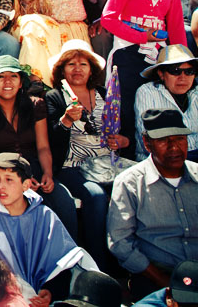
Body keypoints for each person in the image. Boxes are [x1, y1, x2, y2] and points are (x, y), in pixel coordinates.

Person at [0, 55, 78, 238]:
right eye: (0, 76)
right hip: (4, 174)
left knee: (63, 203)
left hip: (35, 166)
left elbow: (43, 146)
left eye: (13, 76)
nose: (7, 81)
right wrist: (21, 184)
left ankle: (72, 259)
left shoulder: (36, 105)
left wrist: (48, 174)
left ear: (21, 82)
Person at [101, 0, 187, 156]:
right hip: (126, 52)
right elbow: (108, 18)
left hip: (157, 57)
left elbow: (177, 29)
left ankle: (156, 154)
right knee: (127, 105)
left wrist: (180, 61)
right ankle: (128, 156)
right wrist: (142, 36)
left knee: (155, 104)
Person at [0, 153, 98, 304]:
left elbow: (62, 262)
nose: (0, 186)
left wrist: (50, 292)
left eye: (9, 179)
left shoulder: (44, 216)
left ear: (25, 185)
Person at [45, 39, 124, 269]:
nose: (77, 68)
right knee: (96, 196)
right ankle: (96, 265)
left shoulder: (103, 93)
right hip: (73, 166)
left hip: (105, 164)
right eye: (71, 64)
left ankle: (123, 258)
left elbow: (121, 130)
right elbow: (51, 139)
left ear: (92, 69)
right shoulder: (55, 97)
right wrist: (67, 120)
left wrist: (122, 140)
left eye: (83, 63)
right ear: (62, 69)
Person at [107, 108, 198, 299]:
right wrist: (165, 282)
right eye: (164, 140)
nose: (174, 147)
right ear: (147, 143)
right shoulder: (130, 183)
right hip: (157, 276)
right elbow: (120, 242)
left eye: (180, 138)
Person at [135, 45, 198, 160]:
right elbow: (152, 140)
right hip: (162, 161)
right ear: (161, 74)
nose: (183, 77)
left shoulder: (196, 92)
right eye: (175, 71)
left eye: (189, 71)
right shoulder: (147, 92)